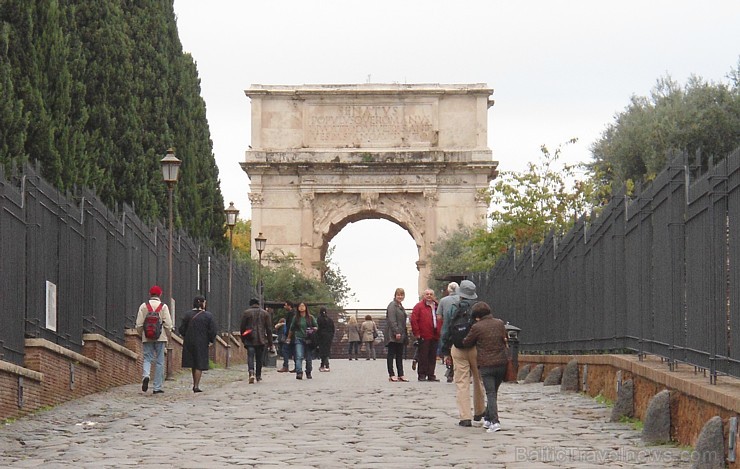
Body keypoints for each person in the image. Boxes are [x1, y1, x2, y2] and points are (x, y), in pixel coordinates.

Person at [440, 279, 486, 427]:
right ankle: (479, 411)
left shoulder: (453, 307)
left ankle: (465, 416)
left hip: (458, 348)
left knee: (461, 382)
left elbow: (446, 329)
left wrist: (445, 350)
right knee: (478, 380)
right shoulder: (479, 308)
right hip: (476, 348)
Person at [462, 301, 508, 433]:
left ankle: (495, 422)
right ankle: (487, 419)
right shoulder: (499, 323)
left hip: (486, 364)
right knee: (494, 392)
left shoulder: (477, 327)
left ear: (477, 316)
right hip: (501, 363)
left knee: (490, 393)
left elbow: (467, 342)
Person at [135, 285, 173, 394]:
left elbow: (139, 324)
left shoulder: (144, 306)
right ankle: (157, 387)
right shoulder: (163, 307)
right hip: (160, 337)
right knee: (160, 361)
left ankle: (146, 375)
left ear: (149, 294)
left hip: (147, 336)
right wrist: (168, 336)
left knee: (147, 358)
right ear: (160, 294)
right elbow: (168, 324)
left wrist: (141, 334)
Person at [179, 295, 217, 392]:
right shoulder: (208, 316)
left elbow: (182, 329)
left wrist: (186, 336)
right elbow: (212, 330)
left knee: (193, 363)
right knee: (199, 364)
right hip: (202, 342)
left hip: (189, 341)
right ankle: (196, 385)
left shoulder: (187, 315)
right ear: (202, 303)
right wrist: (211, 340)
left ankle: (195, 383)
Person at [410, 288, 442, 382]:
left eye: (431, 294)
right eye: (427, 294)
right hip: (424, 334)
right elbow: (414, 320)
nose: (429, 296)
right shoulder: (419, 306)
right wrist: (417, 333)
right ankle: (422, 374)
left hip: (435, 334)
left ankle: (431, 374)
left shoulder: (437, 306)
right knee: (423, 355)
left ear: (433, 296)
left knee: (432, 356)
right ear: (424, 296)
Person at [240, 298, 273, 383]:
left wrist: (243, 338)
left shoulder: (246, 313)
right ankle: (258, 375)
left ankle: (251, 372)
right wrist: (270, 343)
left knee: (250, 356)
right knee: (259, 358)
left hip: (249, 338)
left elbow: (242, 327)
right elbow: (269, 329)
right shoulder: (265, 313)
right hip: (261, 339)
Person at [286, 302, 318, 379]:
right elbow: (291, 328)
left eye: (303, 306)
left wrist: (313, 329)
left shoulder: (310, 317)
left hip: (308, 339)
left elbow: (316, 327)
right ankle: (299, 372)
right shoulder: (296, 318)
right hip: (299, 338)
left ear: (306, 307)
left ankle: (308, 371)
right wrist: (289, 338)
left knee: (308, 357)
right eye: (300, 306)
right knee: (299, 356)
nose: (301, 307)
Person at [438, 282, 460, 382]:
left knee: (447, 349)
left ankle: (449, 369)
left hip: (447, 328)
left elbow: (439, 317)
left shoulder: (443, 300)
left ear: (448, 290)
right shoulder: (462, 299)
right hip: (460, 329)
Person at [385, 287, 409, 382]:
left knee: (399, 354)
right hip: (393, 334)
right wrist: (396, 332)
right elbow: (392, 320)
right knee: (391, 354)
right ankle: (391, 374)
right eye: (398, 295)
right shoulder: (392, 306)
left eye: (402, 295)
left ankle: (401, 374)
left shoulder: (400, 306)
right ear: (395, 295)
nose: (400, 296)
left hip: (401, 334)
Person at [277, 301, 296, 372]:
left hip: (290, 335)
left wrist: (288, 336)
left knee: (285, 350)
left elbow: (291, 326)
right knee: (294, 351)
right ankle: (297, 366)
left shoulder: (291, 314)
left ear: (289, 306)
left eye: (285, 305)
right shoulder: (293, 313)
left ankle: (285, 366)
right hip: (292, 335)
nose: (284, 307)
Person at [316, 306, 335, 371]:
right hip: (329, 337)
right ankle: (326, 365)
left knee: (322, 351)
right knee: (327, 350)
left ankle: (323, 365)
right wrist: (331, 335)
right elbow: (333, 329)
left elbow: (318, 328)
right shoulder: (330, 319)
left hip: (321, 337)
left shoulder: (319, 319)